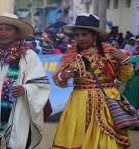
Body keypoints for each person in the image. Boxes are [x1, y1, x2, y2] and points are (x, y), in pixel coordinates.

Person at [52, 14, 134, 148]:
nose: (80, 38)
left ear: (95, 35)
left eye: (84, 34)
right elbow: (58, 79)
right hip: (79, 103)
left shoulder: (110, 52)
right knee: (78, 137)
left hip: (107, 103)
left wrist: (124, 60)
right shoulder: (70, 55)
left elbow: (125, 77)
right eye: (77, 35)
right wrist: (64, 76)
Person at [0, 13, 51, 149]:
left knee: (17, 142)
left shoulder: (28, 55)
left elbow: (40, 84)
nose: (3, 33)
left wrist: (25, 89)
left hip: (16, 110)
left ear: (17, 32)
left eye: (8, 29)